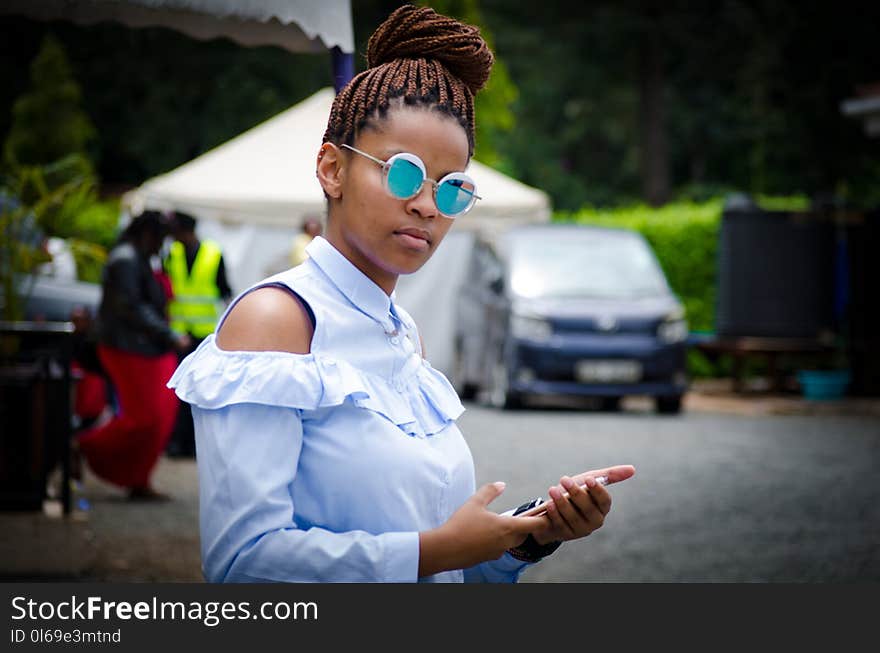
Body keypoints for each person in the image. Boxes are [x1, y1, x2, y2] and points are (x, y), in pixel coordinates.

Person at [169, 4, 634, 582]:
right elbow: (243, 567)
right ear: (332, 169)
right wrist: (439, 551)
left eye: (452, 187)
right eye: (404, 172)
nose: (426, 205)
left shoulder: (400, 333)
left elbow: (441, 563)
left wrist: (525, 537)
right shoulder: (278, 321)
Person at [76, 210, 191, 501]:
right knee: (144, 418)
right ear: (148, 234)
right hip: (127, 347)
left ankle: (139, 479)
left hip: (144, 347)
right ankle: (83, 447)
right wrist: (169, 336)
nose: (161, 246)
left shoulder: (135, 257)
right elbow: (130, 307)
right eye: (160, 239)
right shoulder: (126, 259)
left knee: (159, 415)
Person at [163, 211, 233, 457]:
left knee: (200, 391)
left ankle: (193, 444)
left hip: (205, 335)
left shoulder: (213, 254)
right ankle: (177, 442)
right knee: (177, 391)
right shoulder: (172, 254)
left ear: (186, 231)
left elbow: (225, 291)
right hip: (179, 333)